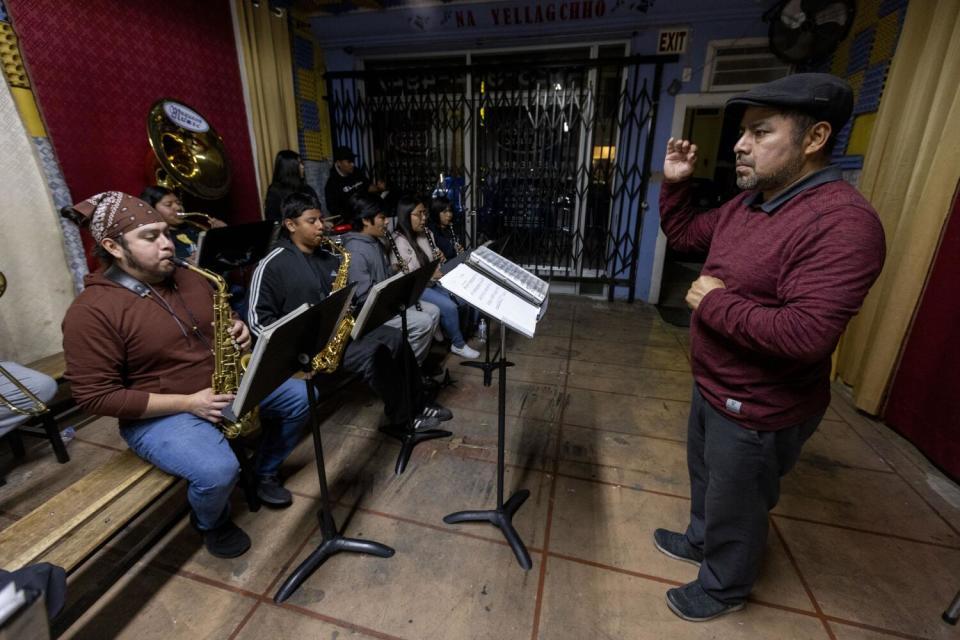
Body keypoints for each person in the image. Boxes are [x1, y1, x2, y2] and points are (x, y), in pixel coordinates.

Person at [653, 73, 886, 622]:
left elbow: (807, 335)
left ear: (814, 138)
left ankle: (724, 586)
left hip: (760, 406)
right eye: (743, 134)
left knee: (740, 501)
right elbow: (687, 237)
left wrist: (714, 305)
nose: (739, 144)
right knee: (709, 480)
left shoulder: (844, 223)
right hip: (715, 386)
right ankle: (700, 540)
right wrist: (676, 184)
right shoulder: (749, 204)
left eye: (760, 132)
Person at [61, 192, 310, 560]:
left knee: (302, 398)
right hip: (163, 411)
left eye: (165, 232)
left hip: (220, 386)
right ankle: (211, 521)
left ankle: (265, 470)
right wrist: (188, 403)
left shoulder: (191, 276)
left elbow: (221, 321)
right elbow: (94, 397)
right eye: (150, 237)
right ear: (113, 246)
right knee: (217, 471)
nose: (166, 244)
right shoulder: (91, 312)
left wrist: (238, 329)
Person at [246, 191, 453, 430]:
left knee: (397, 337)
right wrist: (294, 352)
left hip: (340, 334)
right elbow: (257, 321)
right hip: (308, 349)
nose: (321, 226)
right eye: (311, 221)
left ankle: (419, 403)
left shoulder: (329, 255)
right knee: (375, 355)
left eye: (320, 219)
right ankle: (404, 418)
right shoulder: (272, 265)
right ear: (290, 225)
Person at [341, 194, 441, 364]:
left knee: (434, 311)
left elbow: (382, 275)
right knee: (423, 322)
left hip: (386, 304)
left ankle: (411, 366)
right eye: (381, 217)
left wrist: (394, 270)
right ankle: (406, 371)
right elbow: (364, 297)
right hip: (372, 315)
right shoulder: (356, 251)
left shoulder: (374, 241)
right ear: (366, 220)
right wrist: (394, 296)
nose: (387, 221)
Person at [390, 196, 479, 359]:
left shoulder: (427, 233)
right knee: (450, 307)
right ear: (405, 215)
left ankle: (453, 333)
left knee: (462, 299)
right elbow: (408, 276)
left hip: (433, 282)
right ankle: (458, 344)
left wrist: (440, 259)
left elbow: (433, 261)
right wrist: (431, 274)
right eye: (419, 214)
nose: (424, 218)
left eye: (425, 213)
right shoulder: (399, 241)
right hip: (417, 288)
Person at [140, 186, 226, 261]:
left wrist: (222, 234)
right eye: (168, 204)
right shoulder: (154, 239)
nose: (178, 208)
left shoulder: (194, 227)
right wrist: (186, 263)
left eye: (179, 203)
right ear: (151, 209)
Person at [324, 146, 389, 221]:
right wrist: (349, 214)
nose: (352, 164)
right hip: (349, 221)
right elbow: (333, 208)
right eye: (349, 162)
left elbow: (367, 187)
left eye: (353, 161)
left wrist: (378, 188)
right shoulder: (332, 184)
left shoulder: (356, 172)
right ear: (338, 163)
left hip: (365, 214)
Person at [264, 150, 319, 222]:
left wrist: (322, 221)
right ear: (289, 167)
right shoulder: (275, 192)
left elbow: (317, 210)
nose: (303, 167)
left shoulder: (307, 189)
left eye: (302, 163)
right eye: (299, 164)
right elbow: (274, 220)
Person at [428, 196, 465, 261]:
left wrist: (460, 250)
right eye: (445, 212)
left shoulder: (452, 228)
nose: (449, 215)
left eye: (450, 211)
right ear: (436, 213)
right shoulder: (431, 231)